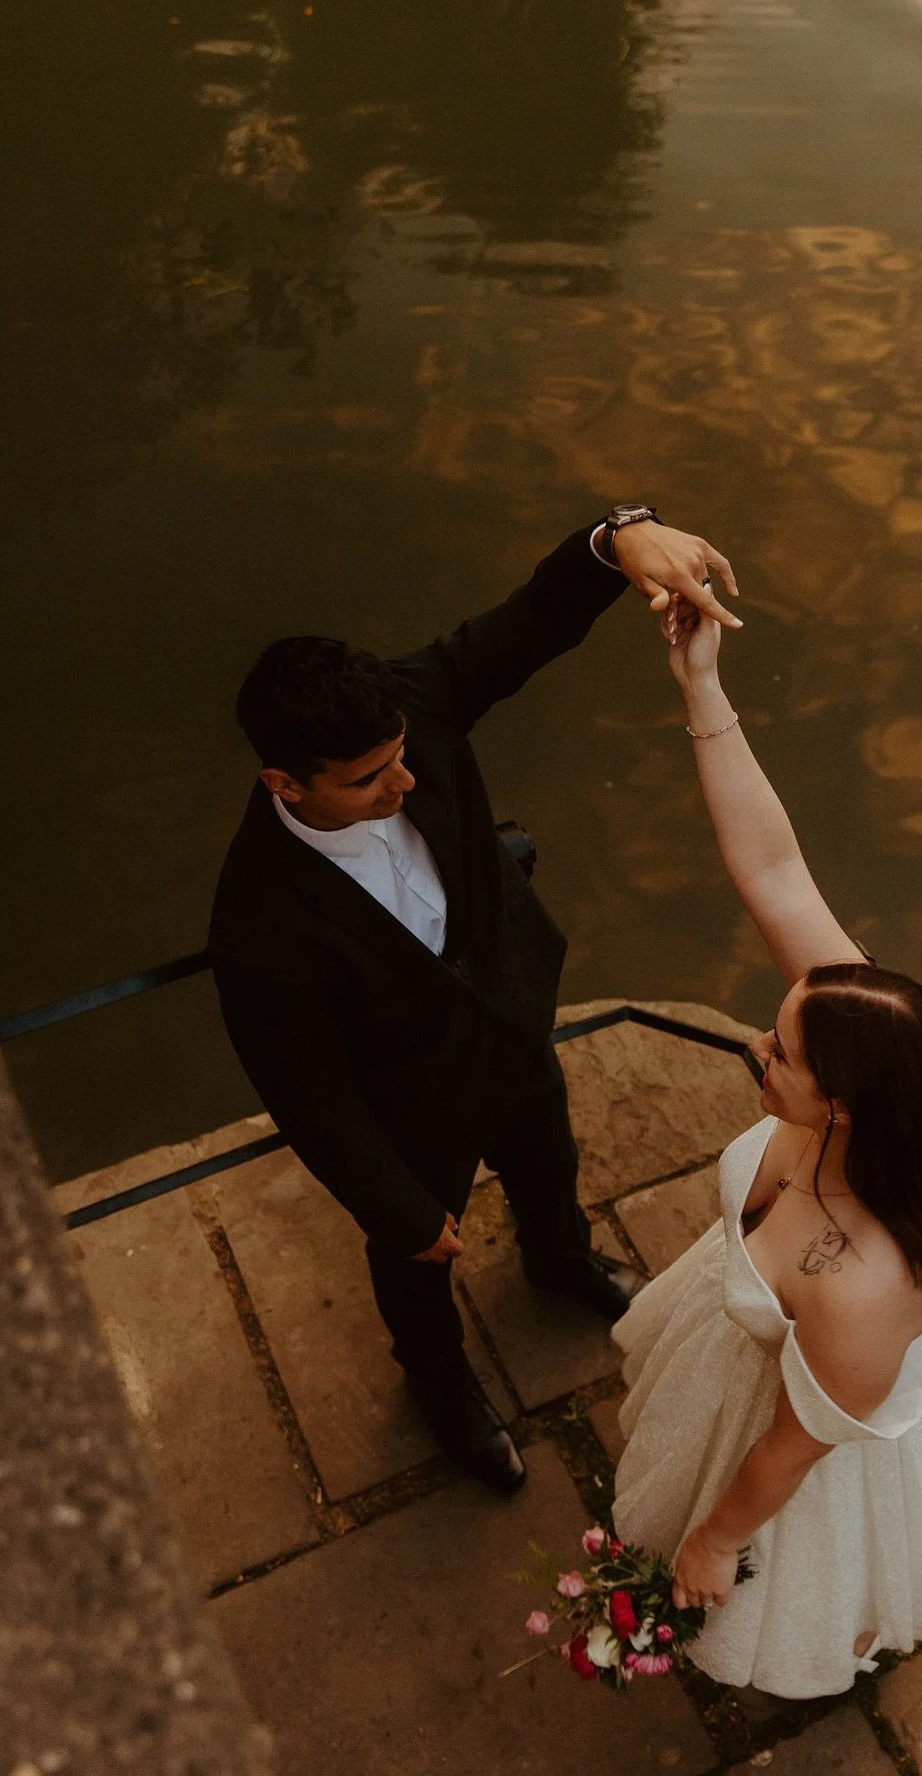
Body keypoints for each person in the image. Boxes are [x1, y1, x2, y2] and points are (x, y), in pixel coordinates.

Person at [208, 511, 741, 1495]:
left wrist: (617, 537)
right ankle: (441, 1380)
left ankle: (560, 1258)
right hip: (409, 1106)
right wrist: (401, 1205)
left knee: (549, 1155)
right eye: (369, 780)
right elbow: (305, 1088)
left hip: (510, 1022)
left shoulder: (414, 703)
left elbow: (530, 621)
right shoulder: (257, 924)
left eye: (402, 756)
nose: (404, 782)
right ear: (285, 781)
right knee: (415, 1265)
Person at [609, 592, 922, 1696]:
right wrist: (703, 685)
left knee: (799, 1573)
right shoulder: (860, 1034)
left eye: (779, 1054)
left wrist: (709, 1538)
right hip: (761, 1343)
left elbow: (791, 1448)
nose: (759, 1045)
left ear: (839, 1103)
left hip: (804, 1419)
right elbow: (776, 869)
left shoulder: (867, 1286)